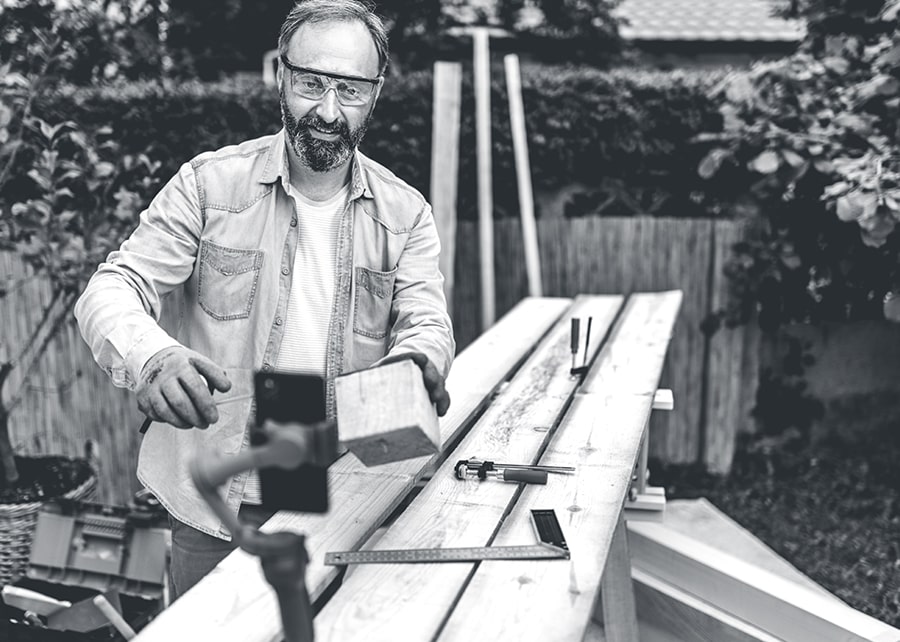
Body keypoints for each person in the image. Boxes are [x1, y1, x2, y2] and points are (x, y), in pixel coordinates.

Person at [74, 0, 454, 599]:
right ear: (281, 75)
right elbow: (112, 287)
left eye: (351, 91)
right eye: (311, 84)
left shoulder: (405, 214)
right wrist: (153, 356)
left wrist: (418, 360)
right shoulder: (209, 185)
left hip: (343, 478)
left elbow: (427, 319)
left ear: (376, 94)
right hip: (219, 484)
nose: (328, 112)